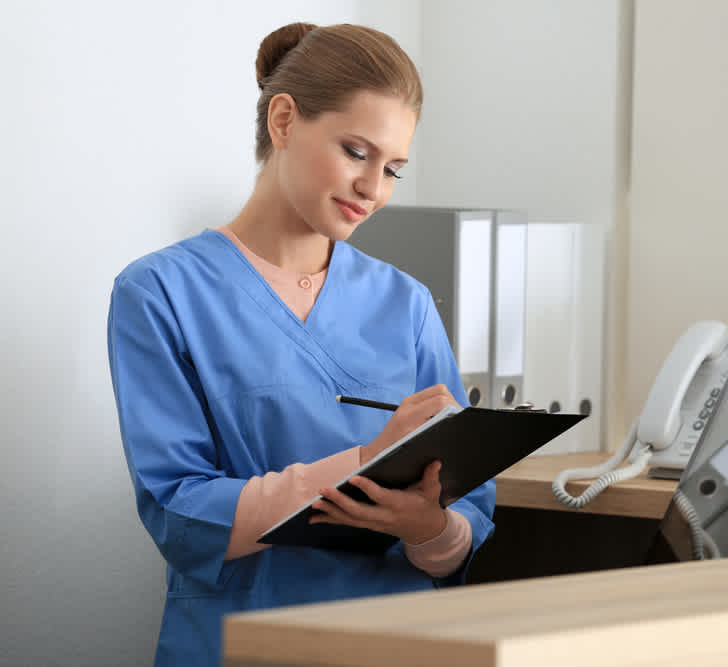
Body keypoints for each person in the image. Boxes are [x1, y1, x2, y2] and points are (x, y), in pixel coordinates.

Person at [107, 22, 495, 666]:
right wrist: (362, 463)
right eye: (355, 151)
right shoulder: (160, 292)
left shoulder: (407, 304)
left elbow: (465, 523)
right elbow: (180, 515)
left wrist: (426, 525)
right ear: (284, 121)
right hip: (246, 643)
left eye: (393, 168)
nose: (374, 189)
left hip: (399, 643)